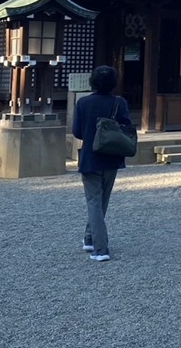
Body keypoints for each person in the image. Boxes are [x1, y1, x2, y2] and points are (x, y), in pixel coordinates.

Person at [72, 65, 131, 262]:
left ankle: (100, 248)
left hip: (91, 156)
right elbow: (126, 127)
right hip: (112, 155)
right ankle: (90, 238)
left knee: (94, 201)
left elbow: (77, 132)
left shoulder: (83, 103)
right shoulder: (119, 103)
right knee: (101, 201)